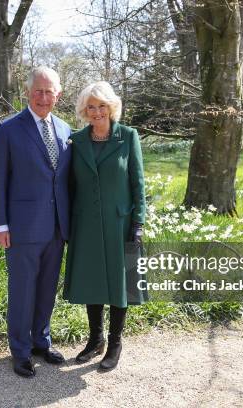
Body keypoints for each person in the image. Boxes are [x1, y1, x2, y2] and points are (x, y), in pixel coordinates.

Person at [0, 67, 72, 378]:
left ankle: (41, 341)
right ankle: (20, 351)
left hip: (56, 227)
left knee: (47, 289)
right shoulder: (8, 129)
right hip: (22, 228)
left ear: (58, 95)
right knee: (23, 290)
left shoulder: (65, 130)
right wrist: (1, 225)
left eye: (50, 91)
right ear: (27, 92)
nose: (44, 97)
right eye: (38, 90)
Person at [63, 81, 146, 371]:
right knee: (93, 280)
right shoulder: (76, 141)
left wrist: (139, 223)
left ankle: (115, 343)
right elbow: (69, 186)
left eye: (101, 106)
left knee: (120, 283)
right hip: (85, 222)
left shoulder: (128, 137)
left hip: (119, 223)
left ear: (111, 107)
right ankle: (95, 339)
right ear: (84, 111)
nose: (96, 112)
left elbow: (138, 183)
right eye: (90, 107)